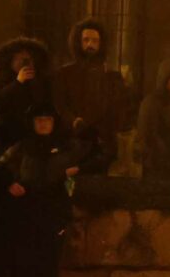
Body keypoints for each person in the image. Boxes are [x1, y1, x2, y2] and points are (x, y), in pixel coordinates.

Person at [0, 105, 84, 277]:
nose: (43, 124)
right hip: (25, 211)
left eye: (47, 120)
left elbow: (85, 164)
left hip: (53, 211)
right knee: (22, 263)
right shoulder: (24, 147)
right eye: (39, 120)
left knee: (47, 265)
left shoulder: (65, 147)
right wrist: (10, 184)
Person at [52, 21, 134, 170]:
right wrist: (73, 120)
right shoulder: (65, 74)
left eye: (95, 40)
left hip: (102, 144)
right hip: (73, 140)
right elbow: (59, 104)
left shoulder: (111, 76)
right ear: (78, 42)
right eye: (86, 40)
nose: (91, 44)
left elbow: (118, 107)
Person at [0, 37, 53, 149]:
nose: (25, 63)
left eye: (29, 59)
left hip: (32, 136)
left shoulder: (41, 79)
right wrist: (17, 83)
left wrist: (33, 82)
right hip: (5, 134)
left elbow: (44, 103)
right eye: (20, 59)